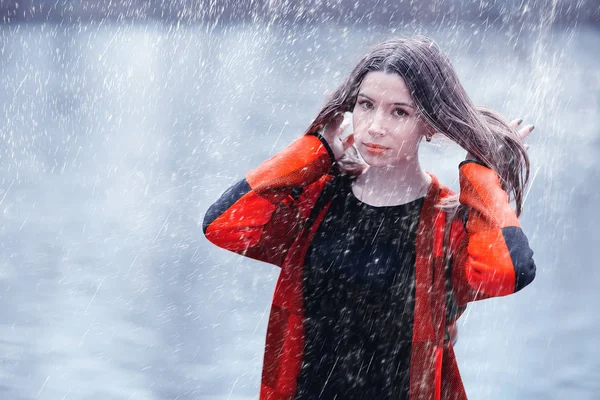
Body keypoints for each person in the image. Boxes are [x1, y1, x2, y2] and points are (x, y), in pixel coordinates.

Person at [202, 35, 536, 400]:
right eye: (366, 105)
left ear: (429, 123)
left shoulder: (447, 224)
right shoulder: (318, 199)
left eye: (399, 111)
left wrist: (479, 173)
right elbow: (224, 225)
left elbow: (509, 271)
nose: (376, 126)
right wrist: (315, 152)